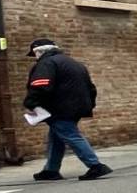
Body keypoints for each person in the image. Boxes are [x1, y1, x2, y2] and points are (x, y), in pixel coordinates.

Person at [23, 39, 110, 180]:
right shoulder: (74, 63)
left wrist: (31, 103)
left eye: (35, 54)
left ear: (38, 51)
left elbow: (41, 86)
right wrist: (89, 104)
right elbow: (91, 88)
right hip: (76, 106)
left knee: (71, 135)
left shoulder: (46, 64)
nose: (35, 58)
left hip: (60, 108)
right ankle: (51, 170)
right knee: (56, 137)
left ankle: (96, 166)